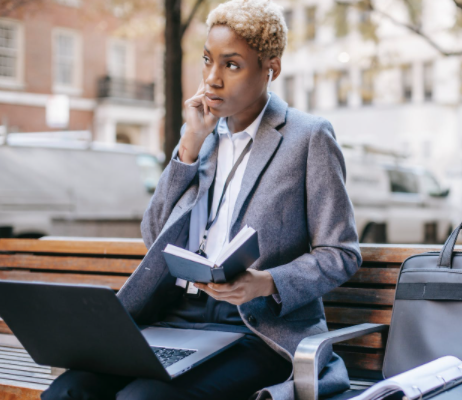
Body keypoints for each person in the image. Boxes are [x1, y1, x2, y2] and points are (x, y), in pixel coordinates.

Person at [42, 0, 360, 399]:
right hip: (178, 316)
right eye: (207, 60)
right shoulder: (200, 134)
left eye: (231, 65)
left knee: (141, 399)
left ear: (271, 68)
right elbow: (154, 234)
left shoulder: (307, 137)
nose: (212, 78)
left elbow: (340, 253)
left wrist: (266, 283)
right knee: (68, 391)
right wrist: (188, 149)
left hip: (255, 330)